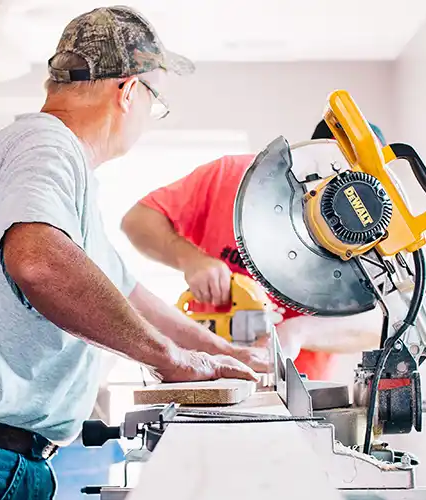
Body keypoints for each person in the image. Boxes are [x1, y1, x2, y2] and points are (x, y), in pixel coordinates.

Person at [0, 6, 268, 499]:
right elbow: (39, 262)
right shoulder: (46, 144)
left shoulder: (52, 162)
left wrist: (218, 352)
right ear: (128, 91)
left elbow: (129, 292)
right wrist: (170, 359)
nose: (150, 117)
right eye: (155, 100)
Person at [121, 120, 390, 381]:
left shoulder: (368, 234)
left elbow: (382, 324)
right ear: (310, 153)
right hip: (204, 372)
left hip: (297, 388)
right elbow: (137, 220)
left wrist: (299, 332)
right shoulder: (231, 177)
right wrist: (190, 259)